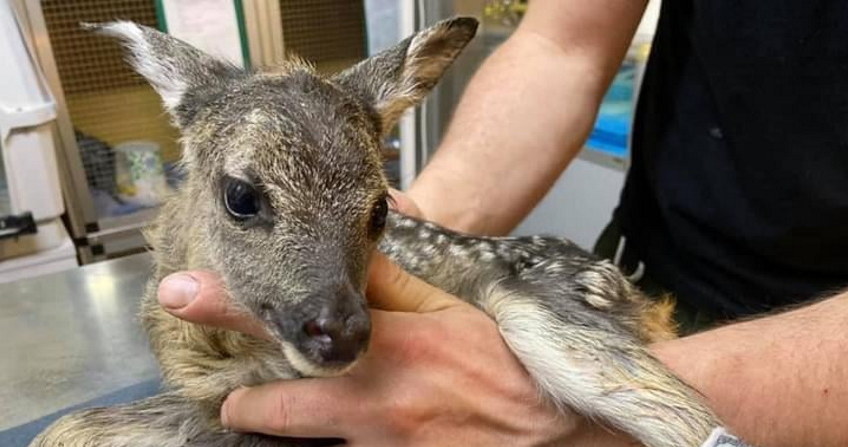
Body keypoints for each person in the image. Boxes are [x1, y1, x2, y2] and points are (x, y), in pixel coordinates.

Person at [157, 0, 848, 445]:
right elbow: (562, 47)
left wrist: (589, 418)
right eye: (247, 203)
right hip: (657, 259)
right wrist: (407, 232)